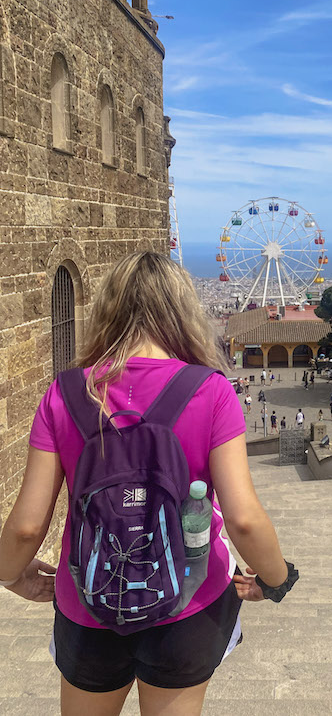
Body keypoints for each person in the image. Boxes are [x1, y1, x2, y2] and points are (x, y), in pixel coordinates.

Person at [0, 252, 296, 715]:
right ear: (183, 312)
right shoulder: (212, 391)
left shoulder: (64, 393)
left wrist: (8, 574)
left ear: (105, 310)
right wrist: (277, 579)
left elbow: (25, 526)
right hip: (189, 605)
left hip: (88, 603)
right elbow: (243, 519)